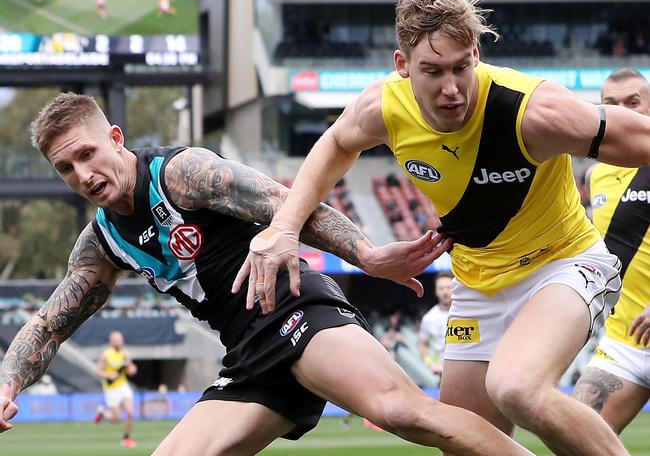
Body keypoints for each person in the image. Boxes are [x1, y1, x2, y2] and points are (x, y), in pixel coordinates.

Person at [237, 0, 650, 456]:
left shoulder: (533, 110)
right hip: (478, 280)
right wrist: (284, 227)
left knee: (516, 387)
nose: (450, 89)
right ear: (402, 66)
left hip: (562, 264)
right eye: (432, 72)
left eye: (460, 68)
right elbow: (335, 143)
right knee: (463, 441)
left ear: (476, 53)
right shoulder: (386, 106)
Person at [0, 93, 532, 456]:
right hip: (248, 359)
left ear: (116, 138)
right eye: (65, 169)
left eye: (87, 155)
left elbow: (290, 203)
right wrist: (8, 382)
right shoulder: (100, 243)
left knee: (402, 412)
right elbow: (50, 324)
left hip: (295, 312)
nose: (83, 175)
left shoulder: (182, 175)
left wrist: (367, 255)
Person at [572, 68, 650, 434]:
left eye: (633, 103)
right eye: (611, 104)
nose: (622, 112)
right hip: (626, 341)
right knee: (575, 434)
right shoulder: (595, 174)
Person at [94, 330, 138, 448]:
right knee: (116, 419)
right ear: (111, 341)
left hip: (123, 386)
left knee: (130, 413)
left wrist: (132, 369)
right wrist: (109, 375)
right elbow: (98, 371)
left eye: (120, 339)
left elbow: (131, 368)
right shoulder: (106, 355)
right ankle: (102, 412)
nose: (119, 341)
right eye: (116, 339)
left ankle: (127, 438)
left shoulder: (126, 354)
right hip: (111, 389)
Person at [419, 272, 453, 378]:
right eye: (441, 288)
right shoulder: (429, 318)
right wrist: (430, 364)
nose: (445, 292)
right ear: (436, 291)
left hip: (465, 371)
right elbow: (423, 345)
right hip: (441, 374)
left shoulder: (467, 314)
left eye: (448, 287)